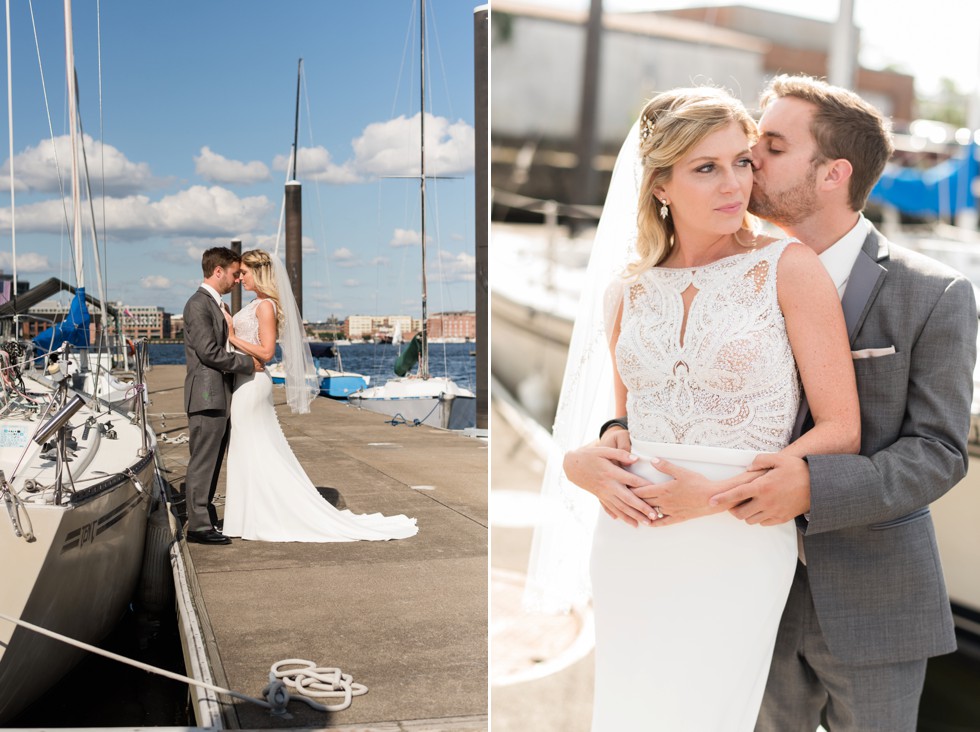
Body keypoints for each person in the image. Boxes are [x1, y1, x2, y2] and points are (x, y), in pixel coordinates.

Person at [566, 75, 979, 730]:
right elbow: (652, 402)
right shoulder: (667, 279)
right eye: (735, 153)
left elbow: (937, 453)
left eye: (767, 149)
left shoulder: (935, 293)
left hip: (870, 592)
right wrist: (597, 445)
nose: (748, 165)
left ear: (831, 173)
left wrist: (806, 486)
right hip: (732, 574)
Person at [533, 86, 862, 731]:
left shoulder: (788, 268)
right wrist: (583, 462)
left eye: (741, 161)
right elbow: (624, 422)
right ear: (660, 184)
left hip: (737, 538)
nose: (733, 183)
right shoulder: (626, 291)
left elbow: (841, 430)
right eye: (705, 167)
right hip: (631, 540)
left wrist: (713, 499)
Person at [220, 248, 418, 542]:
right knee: (250, 447)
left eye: (245, 273)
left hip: (253, 383)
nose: (240, 279)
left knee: (253, 446)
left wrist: (231, 336)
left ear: (259, 273)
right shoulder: (256, 304)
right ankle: (250, 515)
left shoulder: (265, 307)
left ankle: (259, 515)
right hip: (245, 380)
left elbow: (267, 352)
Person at [182, 247, 259, 545]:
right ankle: (198, 526)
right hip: (205, 393)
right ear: (218, 271)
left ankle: (206, 515)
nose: (237, 278)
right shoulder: (198, 305)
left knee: (212, 459)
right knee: (203, 459)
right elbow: (208, 352)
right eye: (234, 273)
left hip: (217, 394)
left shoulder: (215, 305)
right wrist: (247, 364)